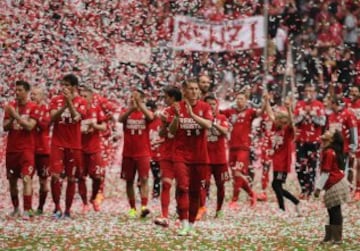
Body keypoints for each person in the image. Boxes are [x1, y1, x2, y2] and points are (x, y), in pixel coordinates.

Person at [166, 78, 213, 235]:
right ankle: (184, 223)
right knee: (182, 187)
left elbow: (208, 125)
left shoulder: (205, 107)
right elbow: (171, 132)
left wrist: (192, 115)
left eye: (196, 89)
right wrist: (177, 118)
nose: (194, 92)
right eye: (191, 89)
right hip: (181, 155)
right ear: (184, 91)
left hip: (200, 156)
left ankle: (191, 225)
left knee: (195, 192)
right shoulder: (176, 108)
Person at [49, 74, 87, 219]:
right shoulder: (55, 100)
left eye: (67, 85)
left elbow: (77, 117)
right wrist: (64, 104)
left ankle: (68, 210)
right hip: (57, 143)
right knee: (55, 176)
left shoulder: (82, 101)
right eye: (62, 84)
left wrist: (69, 102)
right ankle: (57, 207)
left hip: (74, 144)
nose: (63, 87)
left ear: (74, 87)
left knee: (71, 178)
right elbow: (52, 118)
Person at [221, 91, 265, 209]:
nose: (239, 101)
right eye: (238, 99)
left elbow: (261, 112)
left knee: (237, 172)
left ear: (246, 101)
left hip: (244, 148)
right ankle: (252, 194)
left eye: (242, 99)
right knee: (236, 176)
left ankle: (234, 200)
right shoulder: (230, 112)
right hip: (232, 147)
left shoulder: (250, 112)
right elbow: (216, 113)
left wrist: (265, 102)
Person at [3, 80, 38, 219]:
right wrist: (11, 118)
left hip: (26, 149)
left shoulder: (33, 107)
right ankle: (16, 208)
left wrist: (16, 116)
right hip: (12, 149)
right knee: (12, 180)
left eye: (20, 90)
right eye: (16, 90)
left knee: (26, 178)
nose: (17, 93)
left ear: (27, 92)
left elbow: (30, 126)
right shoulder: (10, 107)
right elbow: (5, 127)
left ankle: (27, 210)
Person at [119, 89, 154, 218]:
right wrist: (131, 109)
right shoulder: (126, 112)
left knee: (144, 178)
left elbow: (151, 117)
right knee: (129, 181)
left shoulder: (146, 113)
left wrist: (141, 106)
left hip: (143, 152)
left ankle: (144, 206)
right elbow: (120, 119)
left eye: (137, 98)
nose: (133, 100)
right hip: (128, 152)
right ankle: (132, 208)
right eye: (132, 97)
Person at [266, 96, 301, 215]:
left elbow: (292, 121)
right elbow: (270, 113)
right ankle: (294, 202)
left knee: (276, 185)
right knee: (276, 185)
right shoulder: (276, 127)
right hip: (277, 161)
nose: (278, 122)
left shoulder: (288, 130)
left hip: (284, 161)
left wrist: (289, 108)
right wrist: (266, 101)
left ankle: (283, 208)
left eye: (281, 120)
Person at [197, 94, 230, 220]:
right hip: (205, 158)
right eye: (208, 104)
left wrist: (213, 123)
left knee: (220, 185)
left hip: (220, 158)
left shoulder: (222, 117)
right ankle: (202, 209)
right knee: (203, 184)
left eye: (213, 104)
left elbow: (225, 131)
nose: (211, 106)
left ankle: (219, 210)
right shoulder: (200, 119)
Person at [314, 130, 350, 244]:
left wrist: (318, 188)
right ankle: (329, 237)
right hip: (334, 183)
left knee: (334, 211)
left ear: (332, 139)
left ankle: (336, 238)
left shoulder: (329, 152)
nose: (326, 131)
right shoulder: (329, 150)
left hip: (335, 184)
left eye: (329, 132)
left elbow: (326, 172)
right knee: (331, 211)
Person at [154, 86, 182, 227]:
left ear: (172, 97)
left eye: (165, 97)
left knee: (181, 187)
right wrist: (164, 125)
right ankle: (164, 216)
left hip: (182, 154)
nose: (164, 99)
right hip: (167, 153)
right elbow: (161, 133)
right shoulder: (165, 112)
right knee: (166, 184)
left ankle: (180, 216)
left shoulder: (185, 110)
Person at [294, 84, 326, 199]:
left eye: (311, 91)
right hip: (301, 140)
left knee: (312, 165)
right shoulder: (299, 105)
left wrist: (312, 116)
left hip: (314, 141)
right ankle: (303, 188)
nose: (309, 93)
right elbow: (294, 121)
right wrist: (303, 115)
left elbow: (322, 122)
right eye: (307, 91)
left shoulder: (319, 105)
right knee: (299, 165)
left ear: (315, 93)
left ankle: (310, 190)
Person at [78, 85, 107, 213]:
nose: (83, 99)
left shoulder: (96, 109)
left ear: (91, 98)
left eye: (85, 96)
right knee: (80, 176)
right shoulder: (76, 110)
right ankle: (85, 203)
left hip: (94, 148)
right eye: (81, 96)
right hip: (79, 148)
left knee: (97, 177)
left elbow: (104, 126)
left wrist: (94, 125)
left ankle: (93, 198)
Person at [30, 86, 51, 215]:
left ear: (42, 96)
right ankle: (28, 207)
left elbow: (45, 125)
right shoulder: (28, 108)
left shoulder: (47, 109)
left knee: (43, 180)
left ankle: (40, 207)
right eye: (32, 94)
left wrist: (34, 116)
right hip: (29, 148)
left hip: (43, 150)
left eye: (36, 94)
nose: (33, 97)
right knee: (28, 179)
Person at [347, 86, 360, 200]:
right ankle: (348, 187)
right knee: (349, 164)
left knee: (359, 164)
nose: (354, 93)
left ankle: (358, 189)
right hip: (349, 138)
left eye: (356, 91)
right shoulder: (346, 104)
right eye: (352, 91)